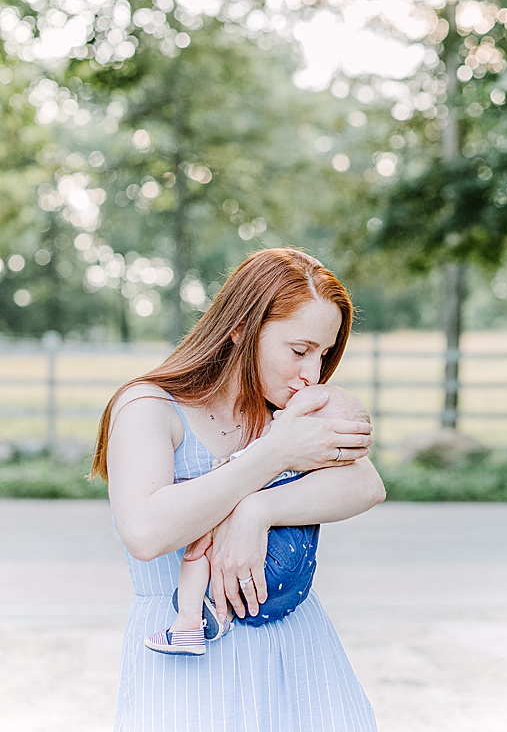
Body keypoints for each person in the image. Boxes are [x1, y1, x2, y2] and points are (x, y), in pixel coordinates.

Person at [92, 247, 383, 730]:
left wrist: (258, 511)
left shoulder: (283, 412)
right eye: (299, 350)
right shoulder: (148, 407)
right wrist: (274, 455)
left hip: (297, 648)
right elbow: (145, 531)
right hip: (188, 653)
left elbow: (366, 483)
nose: (312, 373)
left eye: (324, 354)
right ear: (241, 327)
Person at [144, 384, 372, 655]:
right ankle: (223, 613)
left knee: (198, 549)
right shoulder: (317, 469)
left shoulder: (270, 451)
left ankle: (188, 621)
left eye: (292, 413)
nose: (276, 416)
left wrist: (227, 471)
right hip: (293, 582)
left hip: (265, 565)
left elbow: (232, 473)